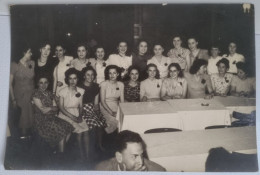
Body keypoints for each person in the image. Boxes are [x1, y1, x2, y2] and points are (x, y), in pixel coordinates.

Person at [32, 76, 73, 151]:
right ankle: (61, 154)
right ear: (38, 84)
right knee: (62, 131)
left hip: (52, 117)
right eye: (41, 83)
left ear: (48, 83)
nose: (43, 85)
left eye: (46, 83)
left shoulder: (49, 93)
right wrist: (51, 108)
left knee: (69, 126)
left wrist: (52, 108)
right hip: (42, 120)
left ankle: (59, 148)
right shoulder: (36, 93)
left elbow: (56, 107)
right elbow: (43, 110)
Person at [95, 130, 166, 171]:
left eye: (141, 155)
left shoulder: (157, 170)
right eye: (134, 156)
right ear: (119, 157)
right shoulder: (102, 170)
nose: (141, 162)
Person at [57, 68, 89, 160]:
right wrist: (74, 118)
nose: (72, 81)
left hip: (76, 112)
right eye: (70, 78)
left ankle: (86, 155)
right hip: (65, 114)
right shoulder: (62, 91)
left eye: (75, 78)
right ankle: (80, 155)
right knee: (79, 130)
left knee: (85, 130)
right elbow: (61, 108)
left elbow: (81, 106)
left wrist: (79, 116)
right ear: (67, 79)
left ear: (78, 79)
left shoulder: (81, 91)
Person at [10, 45, 35, 137]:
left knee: (30, 117)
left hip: (30, 94)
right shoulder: (14, 65)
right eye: (29, 52)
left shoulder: (32, 63)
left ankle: (30, 140)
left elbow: (32, 79)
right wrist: (13, 99)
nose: (31, 54)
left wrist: (34, 94)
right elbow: (9, 84)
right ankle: (22, 139)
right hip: (19, 95)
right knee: (23, 117)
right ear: (24, 53)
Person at [80, 66, 107, 152]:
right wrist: (82, 112)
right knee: (93, 124)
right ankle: (91, 148)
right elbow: (76, 102)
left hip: (91, 108)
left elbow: (96, 103)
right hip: (81, 109)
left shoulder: (96, 86)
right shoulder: (79, 86)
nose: (90, 77)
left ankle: (99, 145)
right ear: (84, 76)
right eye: (87, 75)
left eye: (92, 75)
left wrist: (98, 113)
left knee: (100, 123)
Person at [100, 65, 124, 134]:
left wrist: (122, 112)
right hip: (105, 106)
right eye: (110, 73)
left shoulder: (121, 84)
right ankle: (108, 139)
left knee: (123, 120)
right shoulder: (103, 84)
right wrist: (111, 112)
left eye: (114, 73)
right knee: (114, 121)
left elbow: (122, 101)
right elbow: (102, 101)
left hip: (116, 106)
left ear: (118, 74)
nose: (112, 75)